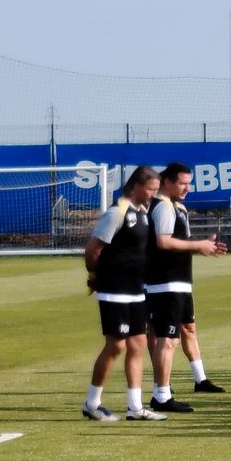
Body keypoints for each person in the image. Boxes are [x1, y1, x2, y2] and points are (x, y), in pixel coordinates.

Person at [82, 165, 167, 422]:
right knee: (116, 345)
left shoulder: (143, 213)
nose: (153, 195)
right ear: (136, 186)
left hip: (136, 291)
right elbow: (93, 248)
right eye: (151, 189)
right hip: (114, 290)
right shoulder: (117, 212)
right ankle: (92, 403)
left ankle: (135, 407)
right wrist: (95, 275)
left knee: (138, 344)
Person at [145, 162, 227, 414]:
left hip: (178, 281)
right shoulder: (162, 206)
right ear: (167, 182)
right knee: (167, 339)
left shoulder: (177, 207)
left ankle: (197, 380)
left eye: (189, 183)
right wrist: (198, 245)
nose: (187, 188)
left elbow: (180, 241)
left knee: (184, 330)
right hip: (165, 282)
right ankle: (161, 394)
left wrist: (204, 245)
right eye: (182, 183)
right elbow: (163, 242)